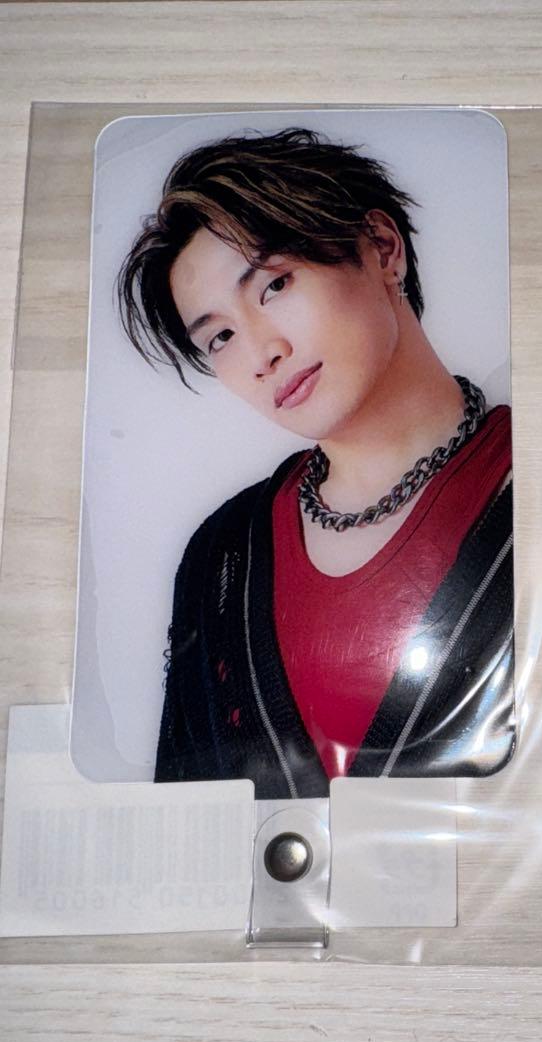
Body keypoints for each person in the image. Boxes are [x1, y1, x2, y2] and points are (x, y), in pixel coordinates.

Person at [117, 128, 514, 798]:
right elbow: (184, 827)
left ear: (382, 248)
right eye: (220, 336)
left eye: (274, 284)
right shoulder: (221, 557)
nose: (260, 353)